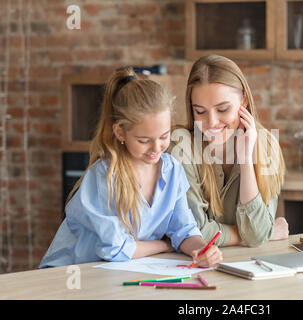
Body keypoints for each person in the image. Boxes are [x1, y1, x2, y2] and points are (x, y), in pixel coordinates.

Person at [39, 67, 222, 268]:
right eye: (144, 140)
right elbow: (115, 249)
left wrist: (201, 249)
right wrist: (164, 245)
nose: (156, 148)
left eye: (164, 136)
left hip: (116, 272)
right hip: (68, 275)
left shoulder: (172, 170)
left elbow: (184, 231)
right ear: (120, 132)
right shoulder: (105, 176)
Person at [168, 55, 289, 248]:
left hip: (246, 264)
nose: (211, 122)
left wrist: (246, 161)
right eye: (200, 111)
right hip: (194, 266)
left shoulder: (266, 146)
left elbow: (257, 235)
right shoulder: (180, 147)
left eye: (223, 109)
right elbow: (193, 233)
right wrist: (258, 233)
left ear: (244, 102)